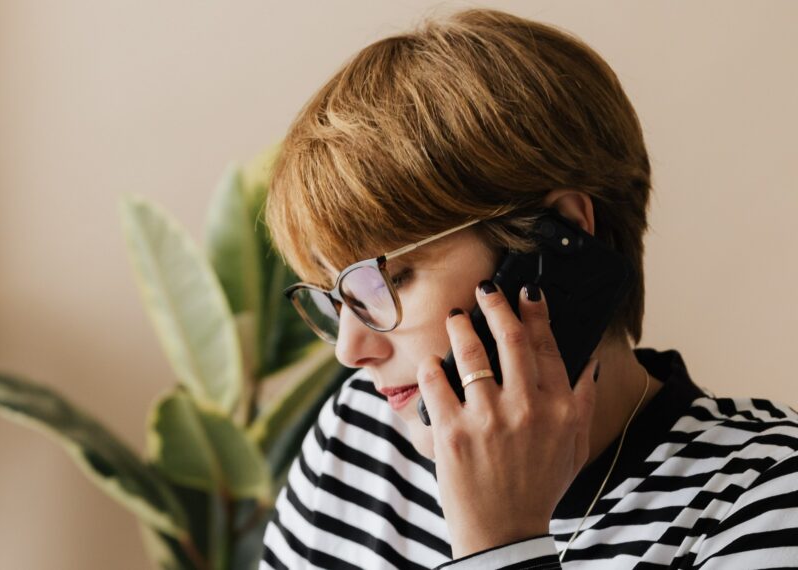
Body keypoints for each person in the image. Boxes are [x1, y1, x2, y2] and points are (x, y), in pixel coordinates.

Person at [258, 8, 798, 569]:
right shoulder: (359, 434)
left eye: (393, 278)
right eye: (336, 293)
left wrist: (502, 541)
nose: (350, 350)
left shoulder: (765, 499)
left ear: (556, 240)